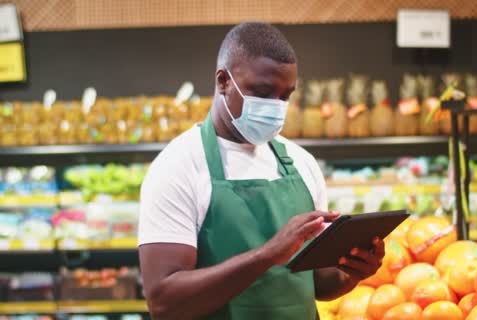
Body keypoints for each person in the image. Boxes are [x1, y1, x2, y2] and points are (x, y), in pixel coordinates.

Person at [138, 22, 385, 320]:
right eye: (263, 92)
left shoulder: (302, 163)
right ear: (223, 82)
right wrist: (268, 255)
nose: (275, 106)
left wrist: (353, 272)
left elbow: (314, 283)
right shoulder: (179, 165)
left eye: (285, 96)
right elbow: (164, 303)